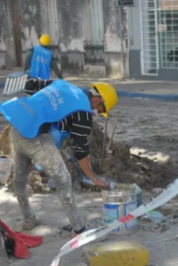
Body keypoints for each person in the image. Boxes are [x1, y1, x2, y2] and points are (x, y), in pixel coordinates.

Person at [0, 79, 117, 233]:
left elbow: (30, 84)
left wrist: (37, 110)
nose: (99, 112)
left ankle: (28, 218)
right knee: (63, 180)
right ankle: (79, 228)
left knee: (19, 179)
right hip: (35, 139)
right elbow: (80, 150)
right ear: (97, 100)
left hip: (17, 126)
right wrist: (94, 178)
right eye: (101, 109)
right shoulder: (83, 114)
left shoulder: (63, 85)